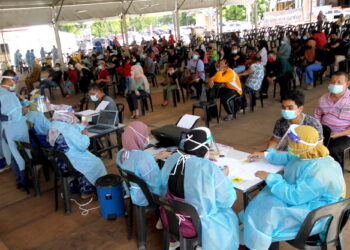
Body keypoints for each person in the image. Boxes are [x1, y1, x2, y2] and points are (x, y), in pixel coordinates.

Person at [243, 125, 346, 250]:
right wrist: (265, 155)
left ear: (301, 145)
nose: (289, 147)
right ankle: (260, 238)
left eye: (292, 144)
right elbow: (290, 157)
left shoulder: (320, 172)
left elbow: (295, 197)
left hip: (314, 213)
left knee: (264, 215)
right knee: (262, 205)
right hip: (305, 197)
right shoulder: (309, 153)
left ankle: (259, 242)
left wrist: (271, 178)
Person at [159, 127, 239, 250]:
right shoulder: (208, 167)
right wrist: (222, 175)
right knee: (227, 216)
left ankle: (174, 241)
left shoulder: (173, 158)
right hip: (196, 225)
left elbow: (162, 186)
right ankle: (203, 244)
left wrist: (202, 161)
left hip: (170, 219)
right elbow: (227, 200)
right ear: (205, 148)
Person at [48, 108, 107, 199]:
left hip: (60, 161)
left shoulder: (54, 124)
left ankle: (74, 188)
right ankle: (86, 192)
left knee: (90, 161)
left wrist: (81, 126)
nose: (73, 117)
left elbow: (72, 128)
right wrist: (85, 135)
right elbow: (83, 145)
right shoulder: (67, 128)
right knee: (96, 163)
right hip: (70, 162)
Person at [116, 121, 169, 206]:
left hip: (133, 191)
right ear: (138, 136)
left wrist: (154, 158)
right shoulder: (144, 158)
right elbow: (155, 183)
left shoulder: (120, 153)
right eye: (145, 135)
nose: (146, 137)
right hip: (147, 197)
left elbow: (135, 166)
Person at [0, 70, 30, 188]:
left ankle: (20, 180)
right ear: (8, 80)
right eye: (14, 81)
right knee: (18, 155)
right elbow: (7, 115)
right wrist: (21, 112)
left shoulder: (6, 93)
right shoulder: (5, 95)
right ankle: (23, 181)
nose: (15, 84)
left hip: (7, 129)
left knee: (14, 154)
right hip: (11, 128)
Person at [314, 71, 350, 168]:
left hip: (345, 134)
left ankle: (337, 176)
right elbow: (317, 117)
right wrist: (318, 132)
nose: (335, 84)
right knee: (310, 146)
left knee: (333, 150)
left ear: (347, 84)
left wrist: (339, 134)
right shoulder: (323, 99)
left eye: (339, 82)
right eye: (333, 82)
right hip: (325, 132)